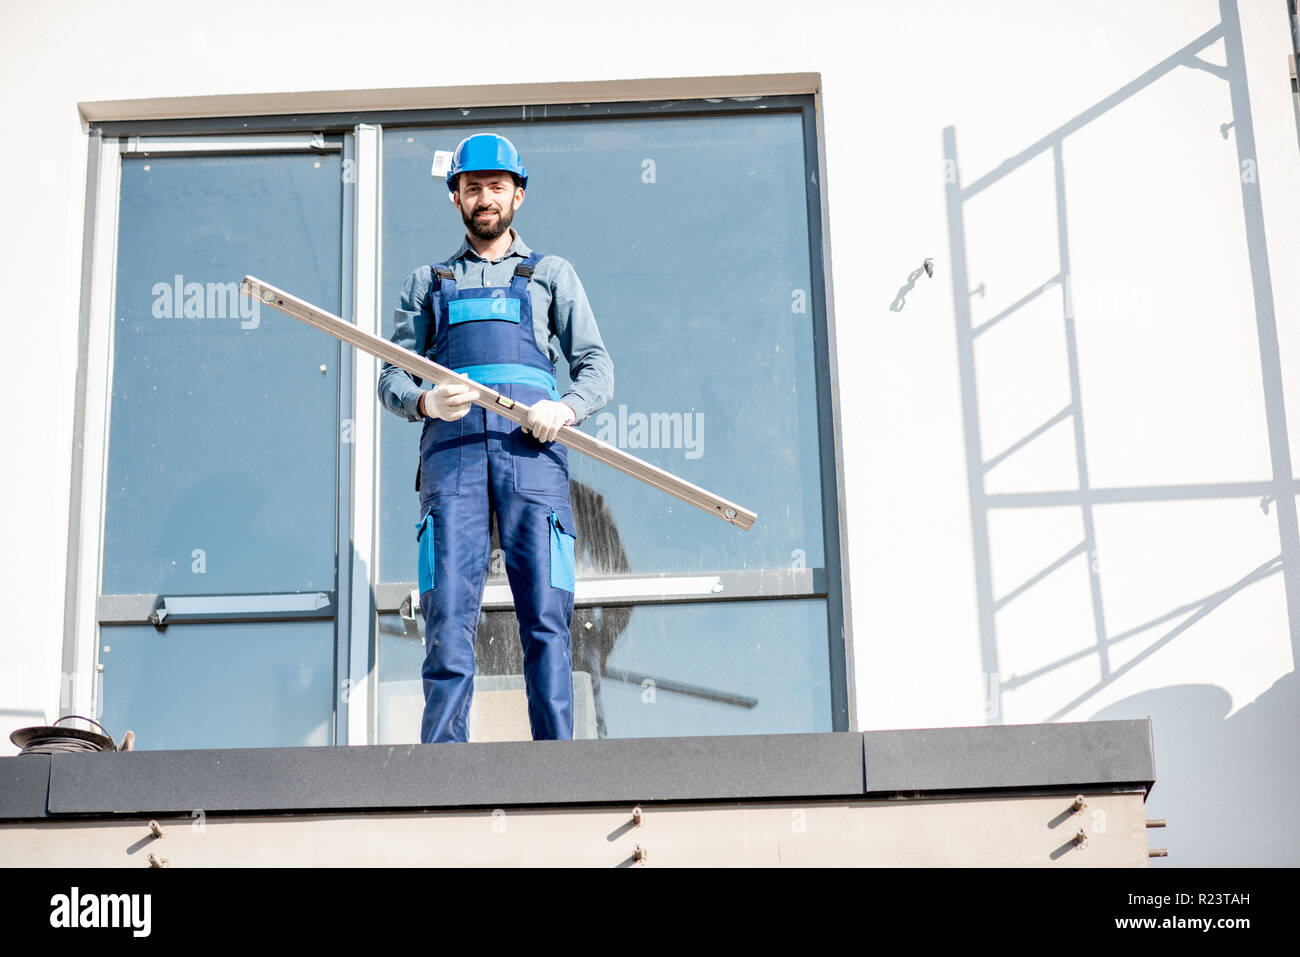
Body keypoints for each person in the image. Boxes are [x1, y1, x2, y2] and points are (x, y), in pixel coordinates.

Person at [378, 132, 614, 744]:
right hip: (451, 459)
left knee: (547, 617)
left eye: (497, 187)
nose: (486, 198)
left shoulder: (551, 276)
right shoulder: (425, 284)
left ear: (519, 195)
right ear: (455, 197)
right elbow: (392, 373)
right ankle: (444, 768)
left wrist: (562, 409)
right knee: (448, 613)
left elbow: (596, 368)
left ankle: (558, 765)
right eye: (473, 187)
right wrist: (426, 400)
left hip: (531, 456)